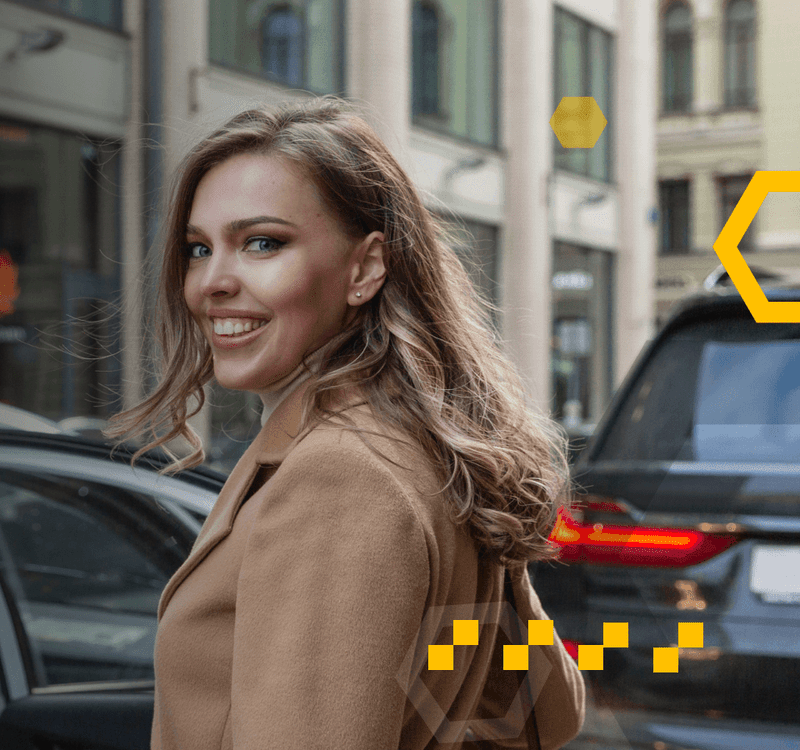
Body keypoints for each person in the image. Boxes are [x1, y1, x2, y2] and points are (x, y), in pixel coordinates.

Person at [107, 97, 587, 748]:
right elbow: (542, 710)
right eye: (198, 248)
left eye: (262, 243)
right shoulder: (429, 452)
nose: (211, 282)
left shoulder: (339, 479)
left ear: (364, 268)